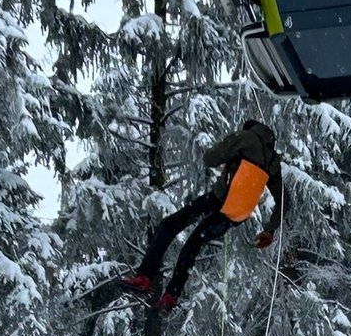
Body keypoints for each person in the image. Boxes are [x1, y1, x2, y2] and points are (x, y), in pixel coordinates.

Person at [119, 119, 285, 311]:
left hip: (219, 199)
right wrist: (270, 230)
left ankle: (144, 277)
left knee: (170, 225)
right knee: (194, 244)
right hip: (237, 214)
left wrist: (230, 147)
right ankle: (171, 296)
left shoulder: (246, 138)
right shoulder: (273, 162)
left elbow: (210, 158)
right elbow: (283, 200)